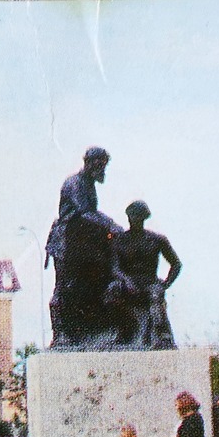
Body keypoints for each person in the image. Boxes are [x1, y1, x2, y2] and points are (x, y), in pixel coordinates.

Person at [45, 147, 124, 349]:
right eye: (99, 165)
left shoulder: (89, 184)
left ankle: (88, 331)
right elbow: (85, 212)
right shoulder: (75, 183)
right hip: (65, 242)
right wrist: (111, 224)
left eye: (104, 165)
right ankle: (61, 334)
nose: (102, 169)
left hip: (81, 242)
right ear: (89, 163)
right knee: (64, 287)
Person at [110, 200, 181, 350]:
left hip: (149, 282)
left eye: (137, 216)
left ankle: (163, 337)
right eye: (131, 216)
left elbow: (176, 264)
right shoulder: (120, 240)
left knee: (156, 295)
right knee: (112, 291)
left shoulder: (157, 240)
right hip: (128, 282)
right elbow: (115, 268)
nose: (133, 220)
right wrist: (126, 280)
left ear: (143, 218)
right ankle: (121, 331)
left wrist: (166, 283)